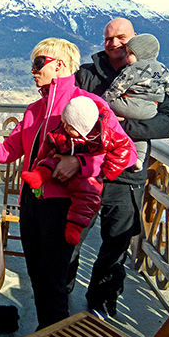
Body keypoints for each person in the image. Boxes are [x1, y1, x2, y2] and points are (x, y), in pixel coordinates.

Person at [0, 38, 136, 332]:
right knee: (37, 276)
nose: (32, 71)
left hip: (65, 207)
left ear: (58, 65)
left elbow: (126, 153)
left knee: (53, 282)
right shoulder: (34, 110)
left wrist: (79, 164)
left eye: (37, 64)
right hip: (32, 202)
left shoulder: (88, 105)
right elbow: (6, 152)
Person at [65, 18, 169, 319]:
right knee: (71, 237)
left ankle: (101, 303)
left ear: (135, 40)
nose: (114, 43)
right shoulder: (87, 75)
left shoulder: (154, 74)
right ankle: (59, 299)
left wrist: (121, 127)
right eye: (108, 39)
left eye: (121, 38)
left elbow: (168, 121)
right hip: (85, 171)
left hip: (127, 176)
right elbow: (68, 110)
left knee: (116, 243)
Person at [21, 96, 135, 246]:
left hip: (85, 175)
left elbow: (125, 150)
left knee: (87, 197)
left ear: (83, 127)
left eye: (70, 126)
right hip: (62, 160)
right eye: (65, 124)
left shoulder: (104, 136)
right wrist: (40, 162)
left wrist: (109, 170)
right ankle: (38, 176)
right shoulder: (62, 132)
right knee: (50, 160)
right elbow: (47, 145)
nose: (65, 128)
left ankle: (74, 227)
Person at [101, 33, 169, 171]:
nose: (127, 57)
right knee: (142, 138)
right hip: (151, 111)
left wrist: (102, 102)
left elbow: (117, 88)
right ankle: (139, 159)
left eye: (130, 53)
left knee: (106, 107)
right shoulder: (163, 69)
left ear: (140, 53)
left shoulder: (133, 69)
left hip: (129, 105)